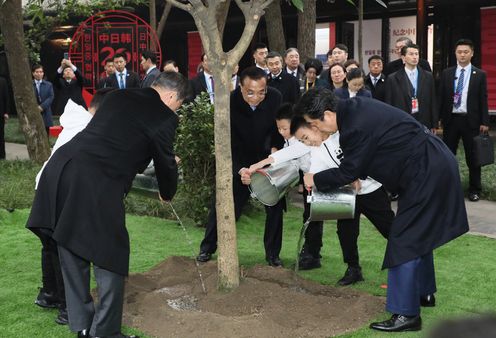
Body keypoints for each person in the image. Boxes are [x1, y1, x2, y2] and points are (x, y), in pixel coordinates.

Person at [26, 72, 189, 338]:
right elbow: (165, 161)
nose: (176, 110)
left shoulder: (118, 96)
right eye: (178, 105)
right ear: (171, 96)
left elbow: (117, 142)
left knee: (70, 244)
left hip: (59, 169)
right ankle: (105, 332)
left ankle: (82, 326)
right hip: (94, 181)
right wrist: (167, 192)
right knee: (111, 254)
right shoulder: (164, 116)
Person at [296, 87, 469, 332]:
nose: (317, 130)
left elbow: (349, 171)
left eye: (315, 124)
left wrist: (315, 179)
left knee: (403, 239)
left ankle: (406, 314)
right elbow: (370, 155)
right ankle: (424, 293)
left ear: (327, 114)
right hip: (431, 165)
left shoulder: (353, 126)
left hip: (426, 170)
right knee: (418, 235)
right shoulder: (355, 109)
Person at [32, 88, 117, 326]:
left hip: (45, 189)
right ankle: (68, 308)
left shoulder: (77, 121)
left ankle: (50, 295)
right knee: (63, 249)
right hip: (57, 193)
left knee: (50, 246)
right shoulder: (87, 128)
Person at [196, 67, 284, 266]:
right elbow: (226, 142)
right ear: (241, 88)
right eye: (250, 92)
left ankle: (273, 255)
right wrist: (241, 169)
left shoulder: (275, 98)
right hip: (239, 160)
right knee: (224, 205)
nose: (257, 97)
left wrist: (274, 152)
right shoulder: (229, 102)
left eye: (262, 91)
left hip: (266, 162)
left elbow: (278, 131)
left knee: (275, 207)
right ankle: (207, 248)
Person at [290, 116, 393, 284]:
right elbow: (317, 176)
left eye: (306, 137)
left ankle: (408, 262)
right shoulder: (316, 151)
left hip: (371, 191)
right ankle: (353, 269)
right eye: (303, 141)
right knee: (346, 233)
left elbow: (360, 159)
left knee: (390, 229)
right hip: (347, 195)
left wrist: (350, 175)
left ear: (315, 127)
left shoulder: (341, 135)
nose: (307, 143)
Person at [243, 104, 309, 267]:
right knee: (310, 218)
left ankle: (311, 255)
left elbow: (286, 155)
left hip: (321, 179)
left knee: (315, 218)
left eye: (284, 128)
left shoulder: (304, 139)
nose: (281, 132)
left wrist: (256, 165)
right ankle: (306, 255)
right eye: (279, 128)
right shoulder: (288, 141)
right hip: (308, 181)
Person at [438, 38, 490, 202]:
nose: (462, 55)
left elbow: (483, 99)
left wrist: (485, 121)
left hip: (471, 121)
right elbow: (441, 97)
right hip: (451, 120)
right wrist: (437, 119)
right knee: (447, 156)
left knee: (473, 157)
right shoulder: (447, 73)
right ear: (455, 53)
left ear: (472, 53)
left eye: (465, 52)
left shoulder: (480, 74)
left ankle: (474, 190)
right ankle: (447, 188)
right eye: (459, 52)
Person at [385, 44, 437, 132]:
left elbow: (433, 100)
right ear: (403, 58)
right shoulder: (393, 78)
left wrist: (434, 123)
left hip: (423, 120)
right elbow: (389, 102)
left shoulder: (428, 76)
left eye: (416, 54)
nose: (415, 57)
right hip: (401, 121)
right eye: (411, 54)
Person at [32, 64, 54, 134]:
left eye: (41, 72)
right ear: (33, 73)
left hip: (45, 112)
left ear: (43, 73)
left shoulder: (48, 85)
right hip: (33, 112)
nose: (39, 74)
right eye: (37, 72)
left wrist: (41, 107)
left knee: (45, 135)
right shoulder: (29, 85)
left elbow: (51, 97)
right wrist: (35, 108)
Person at [0, 76, 9, 160]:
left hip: (1, 113)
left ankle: (2, 156)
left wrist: (6, 112)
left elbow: (6, 97)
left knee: (1, 136)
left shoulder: (2, 81)